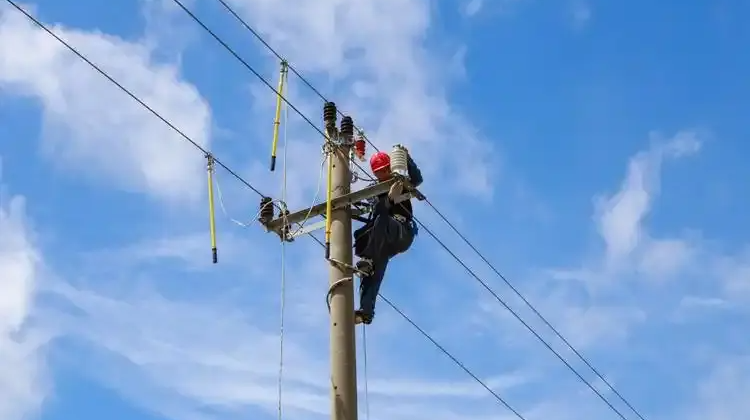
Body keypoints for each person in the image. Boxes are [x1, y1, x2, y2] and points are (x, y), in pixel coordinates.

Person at [353, 150, 422, 325]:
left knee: (380, 220)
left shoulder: (401, 182)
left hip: (401, 232)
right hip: (384, 239)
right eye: (378, 173)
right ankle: (366, 312)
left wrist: (406, 158)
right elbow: (371, 206)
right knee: (370, 270)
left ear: (390, 168)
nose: (381, 176)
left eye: (384, 171)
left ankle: (368, 258)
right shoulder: (375, 190)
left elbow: (417, 180)